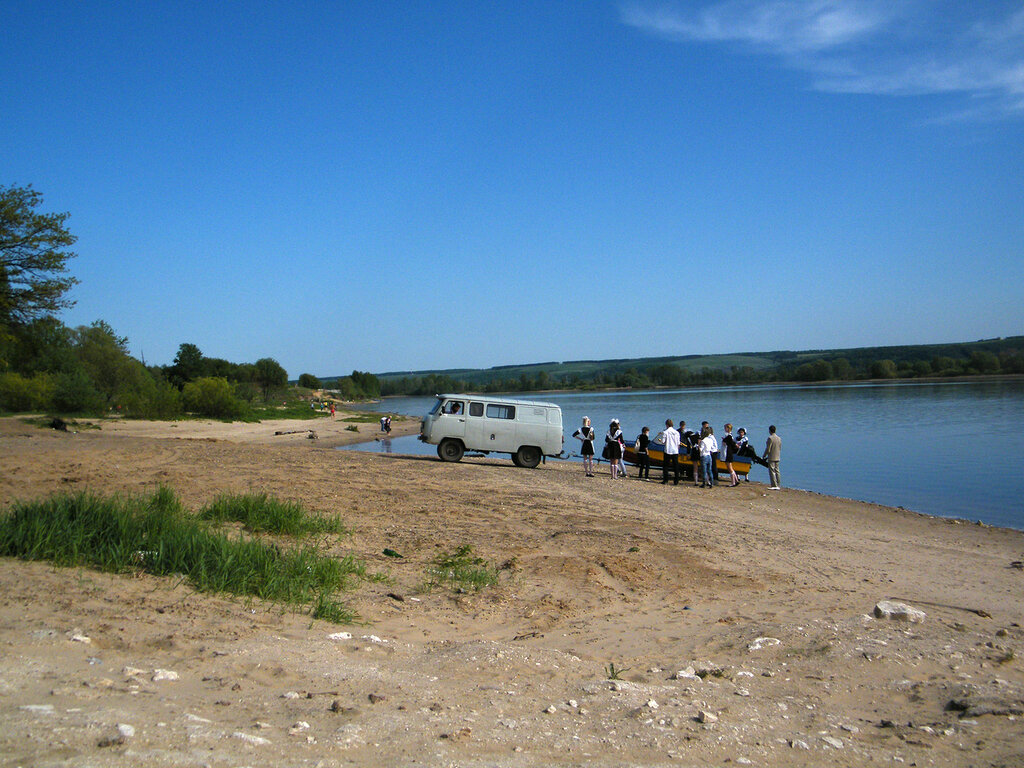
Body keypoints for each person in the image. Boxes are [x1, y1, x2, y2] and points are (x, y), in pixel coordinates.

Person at [654, 419, 681, 485]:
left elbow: (663, 441)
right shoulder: (677, 432)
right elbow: (678, 443)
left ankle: (665, 480)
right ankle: (676, 481)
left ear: (667, 425)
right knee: (676, 466)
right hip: (675, 451)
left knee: (666, 466)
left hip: (668, 450)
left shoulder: (665, 432)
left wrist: (660, 440)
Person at [763, 425, 782, 489]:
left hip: (771, 456)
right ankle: (778, 485)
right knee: (777, 471)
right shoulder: (779, 438)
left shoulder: (770, 438)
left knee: (772, 471)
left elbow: (768, 448)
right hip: (778, 456)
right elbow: (780, 447)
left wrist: (764, 455)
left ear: (770, 431)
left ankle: (774, 485)